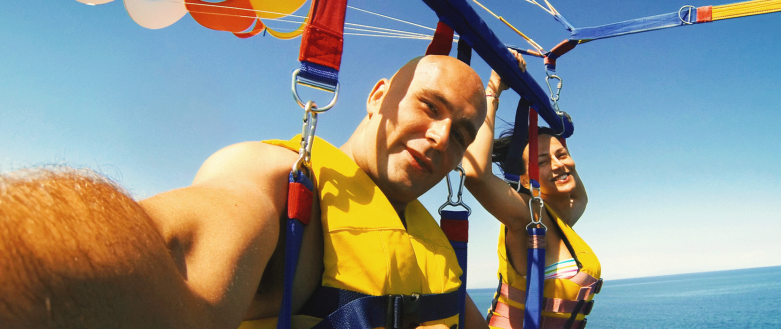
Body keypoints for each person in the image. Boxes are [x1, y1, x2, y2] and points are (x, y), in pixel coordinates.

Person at [0, 55, 489, 329]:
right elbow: (171, 247)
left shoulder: (436, 245)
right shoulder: (280, 181)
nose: (442, 138)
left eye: (463, 134)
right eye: (429, 106)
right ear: (379, 96)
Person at [462, 53, 602, 329]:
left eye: (562, 155)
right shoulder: (527, 217)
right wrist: (493, 90)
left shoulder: (565, 212)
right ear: (526, 180)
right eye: (543, 162)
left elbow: (576, 188)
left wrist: (553, 121)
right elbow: (476, 175)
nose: (560, 165)